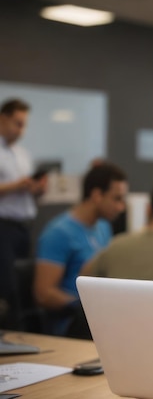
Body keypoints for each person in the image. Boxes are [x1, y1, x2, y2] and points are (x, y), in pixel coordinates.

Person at [34, 162, 127, 335]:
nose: (121, 207)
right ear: (97, 195)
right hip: (72, 323)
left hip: (97, 315)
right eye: (117, 199)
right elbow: (43, 294)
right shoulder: (59, 232)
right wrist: (84, 305)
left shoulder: (103, 226)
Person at [0, 98, 48, 329]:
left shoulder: (23, 154)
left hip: (24, 226)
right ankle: (10, 333)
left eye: (24, 125)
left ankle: (23, 333)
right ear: (3, 118)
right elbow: (14, 187)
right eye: (17, 123)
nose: (21, 130)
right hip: (3, 227)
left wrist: (36, 189)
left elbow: (26, 190)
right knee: (8, 287)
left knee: (22, 284)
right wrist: (17, 185)